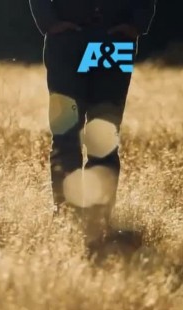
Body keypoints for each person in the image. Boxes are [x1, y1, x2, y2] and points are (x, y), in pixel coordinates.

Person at [29, 0, 156, 246]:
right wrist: (50, 23)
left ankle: (98, 221)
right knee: (66, 133)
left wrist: (135, 25)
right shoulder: (62, 38)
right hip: (67, 44)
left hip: (112, 41)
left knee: (104, 135)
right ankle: (67, 218)